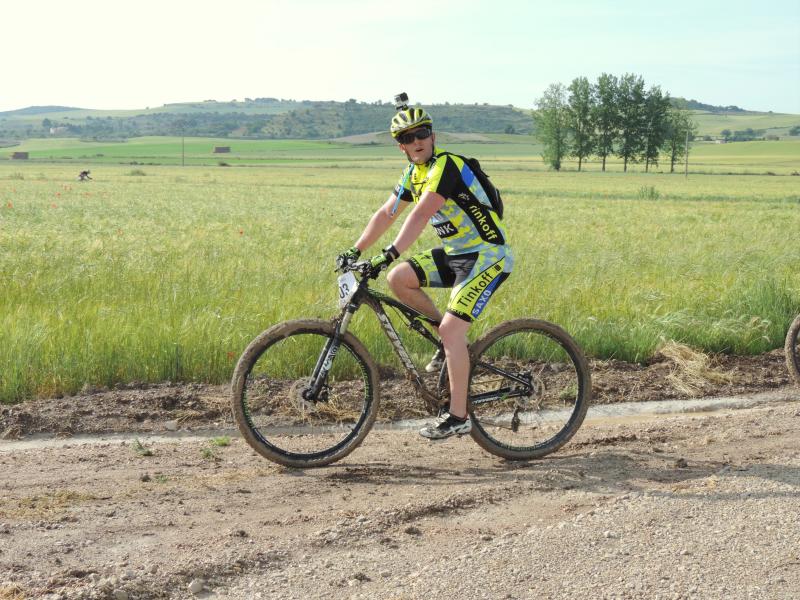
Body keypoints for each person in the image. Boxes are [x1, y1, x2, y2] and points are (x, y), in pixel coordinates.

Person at [336, 97, 513, 440]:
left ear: (433, 135)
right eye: (407, 137)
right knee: (399, 279)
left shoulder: (445, 166)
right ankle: (445, 347)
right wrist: (355, 250)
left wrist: (387, 252)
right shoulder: (412, 174)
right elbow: (387, 213)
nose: (416, 141)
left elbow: (419, 214)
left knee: (452, 331)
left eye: (422, 133)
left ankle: (459, 416)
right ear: (399, 146)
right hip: (456, 254)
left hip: (487, 255)